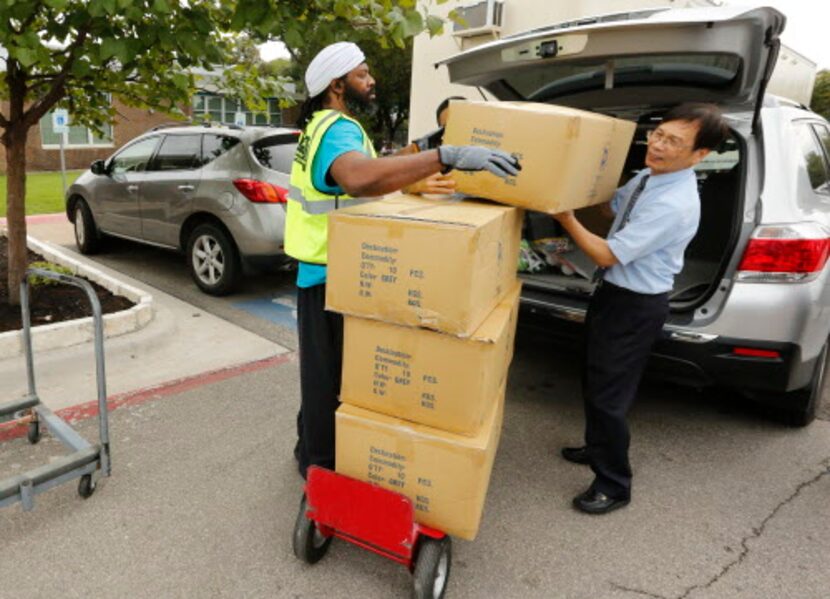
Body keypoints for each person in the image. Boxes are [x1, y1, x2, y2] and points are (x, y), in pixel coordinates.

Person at [286, 42, 521, 479]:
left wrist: (415, 169)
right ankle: (319, 470)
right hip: (334, 276)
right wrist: (443, 155)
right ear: (338, 85)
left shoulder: (322, 125)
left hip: (321, 269)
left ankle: (308, 446)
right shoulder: (337, 128)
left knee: (320, 373)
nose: (370, 81)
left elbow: (368, 170)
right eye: (362, 74)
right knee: (331, 383)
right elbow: (357, 178)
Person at [553, 103, 728, 514]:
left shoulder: (676, 203)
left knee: (610, 395)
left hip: (636, 305)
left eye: (674, 142)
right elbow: (611, 209)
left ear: (699, 155)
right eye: (659, 134)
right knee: (595, 378)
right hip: (613, 296)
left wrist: (563, 216)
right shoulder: (650, 177)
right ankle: (596, 446)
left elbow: (606, 255)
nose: (660, 145)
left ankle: (613, 483)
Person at [404, 95, 468, 195]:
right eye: (447, 128)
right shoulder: (429, 152)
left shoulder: (492, 152)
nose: (456, 132)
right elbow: (401, 184)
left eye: (461, 125)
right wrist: (416, 186)